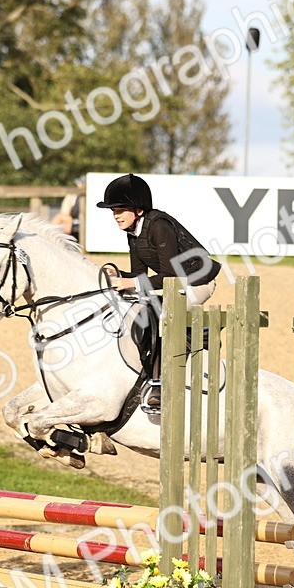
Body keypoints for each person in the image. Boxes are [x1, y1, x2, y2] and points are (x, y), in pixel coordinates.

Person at [95, 173, 222, 411]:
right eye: (113, 211)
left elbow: (169, 276)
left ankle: (162, 382)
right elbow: (139, 274)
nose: (116, 215)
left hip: (198, 282)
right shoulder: (133, 232)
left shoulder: (159, 226)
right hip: (175, 282)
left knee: (162, 316)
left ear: (139, 209)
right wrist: (118, 276)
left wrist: (129, 283)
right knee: (137, 311)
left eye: (121, 209)